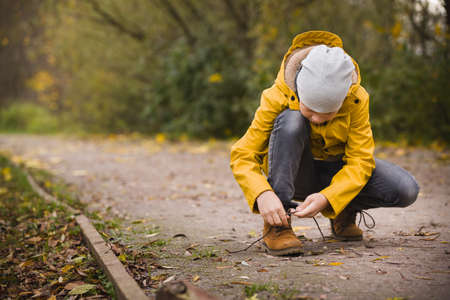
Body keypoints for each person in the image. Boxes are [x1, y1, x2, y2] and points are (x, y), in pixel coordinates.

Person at [230, 31, 419, 256]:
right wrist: (263, 194)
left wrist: (330, 197)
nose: (317, 119)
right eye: (310, 109)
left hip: (335, 173)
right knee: (292, 120)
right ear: (300, 90)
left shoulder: (356, 98)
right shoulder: (276, 96)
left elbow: (360, 161)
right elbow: (242, 155)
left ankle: (344, 208)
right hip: (297, 172)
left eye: (328, 113)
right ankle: (277, 225)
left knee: (405, 189)